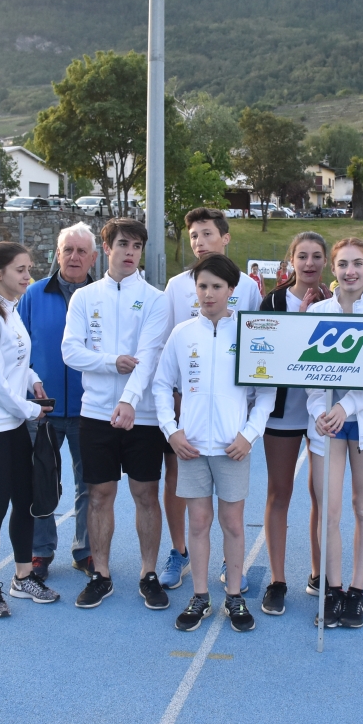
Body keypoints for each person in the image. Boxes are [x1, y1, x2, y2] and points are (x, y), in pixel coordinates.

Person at [154, 254, 275, 633]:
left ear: (232, 291)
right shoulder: (182, 333)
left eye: (216, 287)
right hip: (190, 448)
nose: (208, 294)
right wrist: (171, 431)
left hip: (231, 447)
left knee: (233, 523)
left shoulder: (250, 334)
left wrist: (249, 434)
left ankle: (235, 596)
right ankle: (201, 596)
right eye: (202, 286)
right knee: (200, 522)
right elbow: (161, 385)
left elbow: (266, 392)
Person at [61, 218, 171, 611]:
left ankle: (148, 573)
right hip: (95, 414)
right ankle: (101, 574)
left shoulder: (158, 299)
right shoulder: (84, 298)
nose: (129, 252)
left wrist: (129, 401)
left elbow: (149, 356)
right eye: (123, 244)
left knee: (146, 494)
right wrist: (111, 362)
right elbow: (70, 353)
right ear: (105, 248)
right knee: (99, 494)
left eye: (137, 246)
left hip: (142, 415)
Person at [0, 241, 60, 618]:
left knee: (25, 501)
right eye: (20, 269)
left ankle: (22, 576)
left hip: (14, 419)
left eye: (29, 268)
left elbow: (15, 361)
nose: (28, 276)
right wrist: (29, 409)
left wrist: (32, 379)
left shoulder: (10, 312)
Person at [306, 238, 363, 628]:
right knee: (329, 510)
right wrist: (321, 411)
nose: (350, 272)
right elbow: (305, 374)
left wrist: (347, 407)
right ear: (333, 269)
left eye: (357, 263)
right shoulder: (317, 311)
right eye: (343, 264)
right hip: (327, 426)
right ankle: (334, 589)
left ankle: (356, 592)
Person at [17, 222, 98, 583]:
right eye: (69, 250)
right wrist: (30, 382)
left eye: (82, 251)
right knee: (41, 482)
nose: (75, 257)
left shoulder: (102, 296)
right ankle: (41, 551)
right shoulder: (33, 295)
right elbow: (18, 351)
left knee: (91, 484)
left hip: (90, 409)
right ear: (58, 253)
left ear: (93, 257)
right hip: (43, 408)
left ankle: (85, 550)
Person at [258, 232, 331, 616]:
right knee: (280, 492)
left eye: (317, 256)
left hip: (324, 413)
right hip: (283, 411)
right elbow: (266, 355)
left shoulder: (337, 302)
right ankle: (277, 579)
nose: (309, 263)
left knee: (323, 493)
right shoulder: (272, 301)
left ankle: (319, 573)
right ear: (291, 260)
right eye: (302, 256)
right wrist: (301, 318)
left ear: (325, 261)